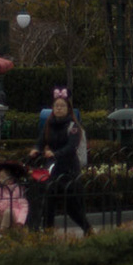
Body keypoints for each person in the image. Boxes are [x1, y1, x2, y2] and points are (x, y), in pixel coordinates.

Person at [31, 90, 93, 236]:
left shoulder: (73, 127)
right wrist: (36, 149)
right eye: (56, 106)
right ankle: (48, 233)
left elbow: (71, 147)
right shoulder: (49, 125)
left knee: (71, 207)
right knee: (49, 203)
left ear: (68, 109)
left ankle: (88, 229)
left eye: (62, 106)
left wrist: (56, 154)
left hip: (68, 170)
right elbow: (41, 141)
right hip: (53, 169)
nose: (59, 108)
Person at [0, 161, 30, 232]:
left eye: (2, 178)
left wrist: (20, 222)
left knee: (8, 211)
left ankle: (3, 231)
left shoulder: (17, 190)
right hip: (0, 217)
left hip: (13, 220)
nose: (0, 180)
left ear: (10, 180)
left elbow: (24, 207)